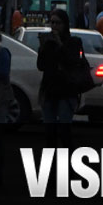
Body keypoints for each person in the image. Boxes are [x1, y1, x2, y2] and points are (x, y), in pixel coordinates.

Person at [36, 8, 85, 144]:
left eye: (58, 23)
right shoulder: (48, 43)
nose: (54, 26)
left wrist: (60, 44)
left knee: (64, 130)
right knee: (49, 132)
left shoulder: (74, 42)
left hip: (66, 90)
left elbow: (72, 61)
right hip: (50, 89)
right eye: (52, 23)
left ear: (65, 24)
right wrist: (43, 48)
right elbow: (40, 66)